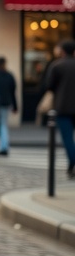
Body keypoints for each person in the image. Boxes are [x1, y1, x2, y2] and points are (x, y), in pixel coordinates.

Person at [42, 39, 75, 178]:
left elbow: (48, 85)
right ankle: (71, 165)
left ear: (62, 51)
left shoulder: (57, 65)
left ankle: (73, 162)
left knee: (67, 138)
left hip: (63, 107)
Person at [0, 55, 19, 156]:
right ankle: (4, 146)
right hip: (6, 103)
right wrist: (15, 106)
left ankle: (3, 147)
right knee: (3, 125)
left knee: (0, 125)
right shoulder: (9, 75)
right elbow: (13, 92)